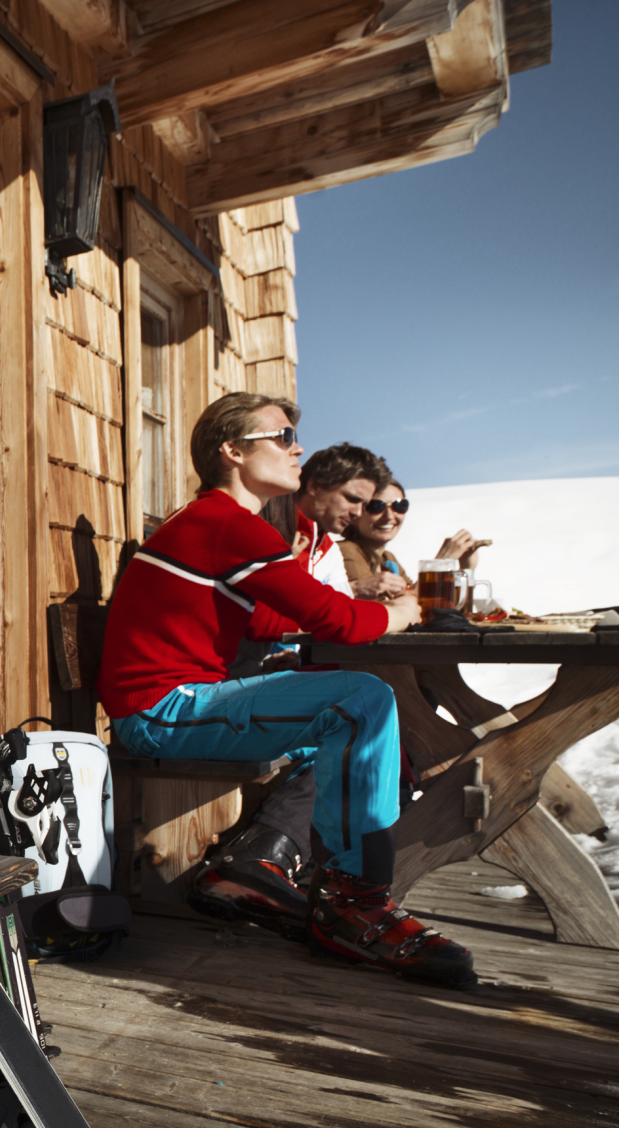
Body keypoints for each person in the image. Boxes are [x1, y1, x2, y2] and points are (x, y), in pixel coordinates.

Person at [97, 393, 474, 984]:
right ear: (233, 451)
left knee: (370, 732)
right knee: (363, 700)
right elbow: (341, 624)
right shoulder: (224, 522)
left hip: (184, 699)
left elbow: (263, 622)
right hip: (160, 710)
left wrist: (358, 610)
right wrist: (405, 611)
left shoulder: (220, 524)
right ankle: (356, 904)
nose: (297, 447)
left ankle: (259, 869)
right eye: (281, 436)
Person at [341, 479, 492, 599]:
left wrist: (465, 569)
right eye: (376, 506)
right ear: (357, 513)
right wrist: (440, 563)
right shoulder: (347, 550)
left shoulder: (387, 559)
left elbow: (419, 598)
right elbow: (389, 607)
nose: (389, 516)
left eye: (399, 506)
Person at [294, 443, 391, 596]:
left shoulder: (331, 552)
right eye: (351, 499)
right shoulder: (266, 526)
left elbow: (338, 613)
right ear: (314, 486)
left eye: (364, 505)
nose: (358, 513)